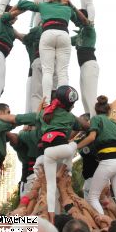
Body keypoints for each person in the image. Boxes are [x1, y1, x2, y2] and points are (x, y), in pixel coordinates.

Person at [16, 0, 87, 104]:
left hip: (47, 34)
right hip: (64, 35)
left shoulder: (43, 5)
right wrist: (71, 5)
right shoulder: (67, 8)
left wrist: (11, 11)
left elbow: (22, 3)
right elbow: (82, 22)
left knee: (47, 71)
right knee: (63, 72)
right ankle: (65, 102)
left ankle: (46, 102)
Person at [76, 95, 116, 224]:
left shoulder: (96, 119)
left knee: (93, 197)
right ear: (108, 111)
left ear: (96, 111)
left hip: (108, 162)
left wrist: (75, 146)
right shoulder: (115, 123)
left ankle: (105, 224)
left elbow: (91, 138)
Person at [41, 85, 79, 223]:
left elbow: (30, 118)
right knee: (74, 145)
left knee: (51, 187)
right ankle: (65, 169)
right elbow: (82, 126)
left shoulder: (43, 113)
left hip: (47, 153)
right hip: (61, 150)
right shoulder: (69, 117)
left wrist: (40, 109)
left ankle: (51, 219)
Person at [71, 9, 99, 116]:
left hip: (90, 64)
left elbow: (86, 22)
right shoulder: (80, 34)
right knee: (84, 98)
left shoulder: (89, 29)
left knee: (90, 97)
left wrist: (72, 7)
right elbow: (65, 40)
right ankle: (89, 124)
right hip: (83, 67)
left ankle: (95, 125)